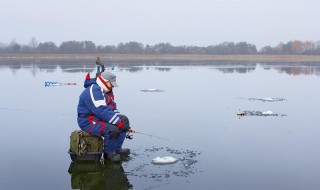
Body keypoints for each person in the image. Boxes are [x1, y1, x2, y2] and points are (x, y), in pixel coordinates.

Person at [77, 71, 131, 162]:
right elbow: (102, 111)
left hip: (99, 118)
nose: (113, 86)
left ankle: (117, 149)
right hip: (88, 121)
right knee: (112, 129)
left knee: (124, 120)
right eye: (111, 84)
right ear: (105, 81)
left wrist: (121, 122)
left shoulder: (105, 91)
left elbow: (112, 109)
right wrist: (119, 124)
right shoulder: (94, 90)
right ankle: (109, 153)